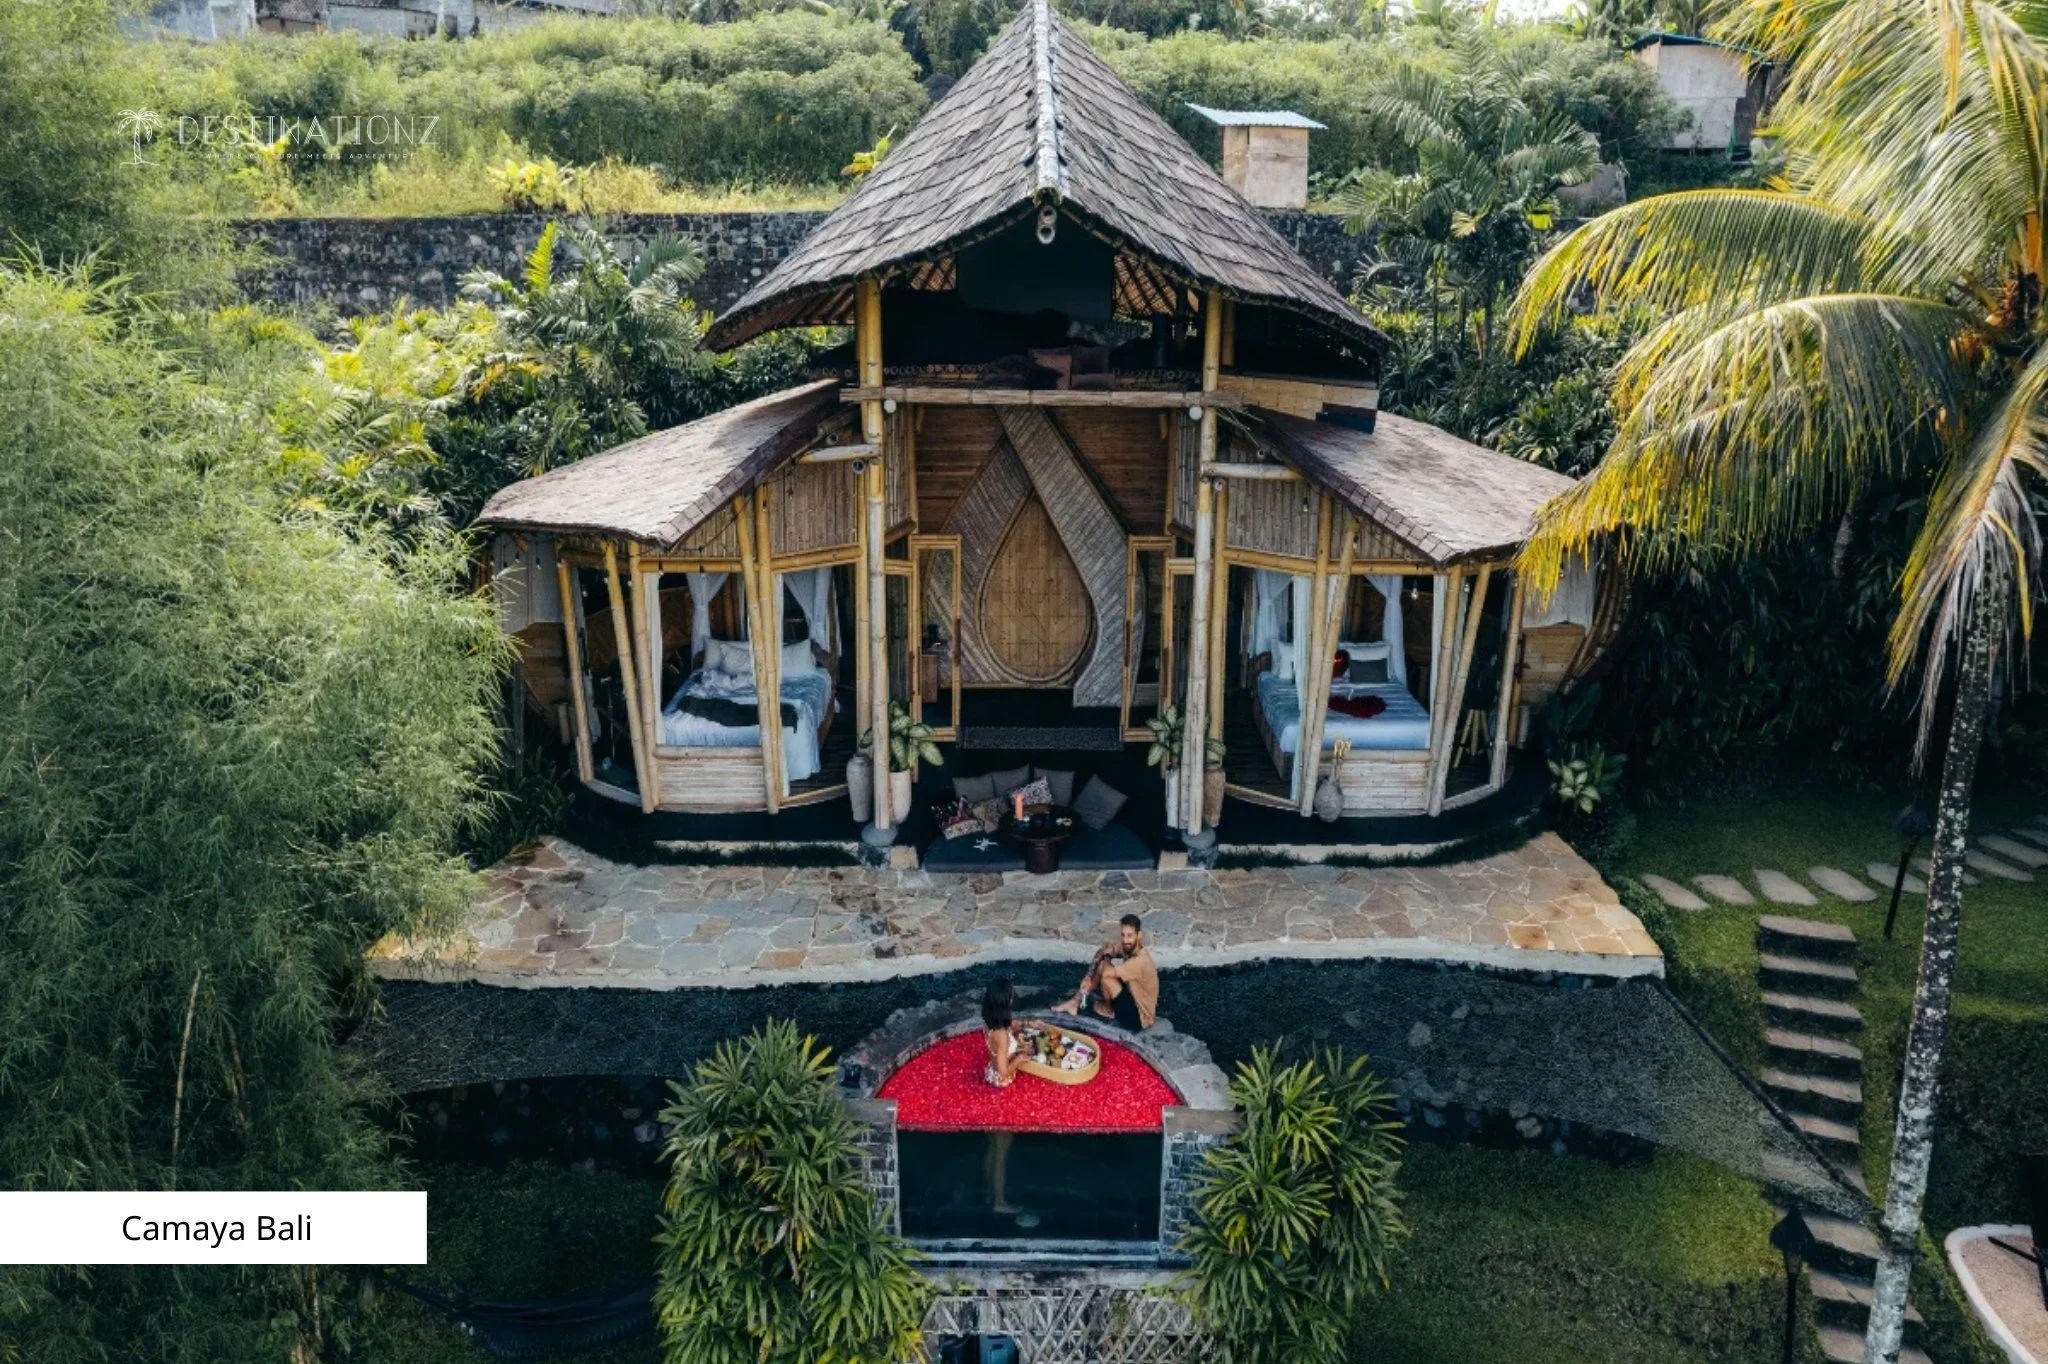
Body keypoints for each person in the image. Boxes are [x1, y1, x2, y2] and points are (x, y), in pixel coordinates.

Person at [1051, 913, 1157, 1031]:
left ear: (1139, 935)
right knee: (1102, 964)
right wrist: (1089, 975)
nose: (1125, 940)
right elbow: (1103, 949)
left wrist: (1105, 958)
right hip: (1133, 997)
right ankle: (1075, 1002)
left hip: (1139, 1020)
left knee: (1106, 976)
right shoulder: (1129, 948)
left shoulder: (1140, 961)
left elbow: (1106, 972)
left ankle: (1108, 1009)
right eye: (1123, 935)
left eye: (1130, 936)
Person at [980, 980, 1022, 1216]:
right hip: (1001, 1086)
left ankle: (988, 1193)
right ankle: (999, 1202)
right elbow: (1005, 1070)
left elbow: (996, 1052)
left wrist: (1019, 1026)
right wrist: (1021, 1059)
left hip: (990, 1078)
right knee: (1002, 1153)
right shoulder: (1002, 1036)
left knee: (992, 1146)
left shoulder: (989, 1023)